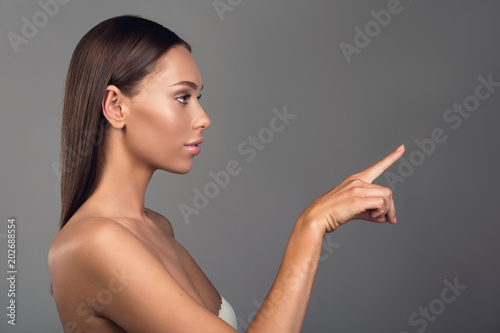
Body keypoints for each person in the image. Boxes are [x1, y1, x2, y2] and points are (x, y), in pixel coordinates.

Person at [48, 15, 405, 333]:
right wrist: (312, 225)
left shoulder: (157, 227)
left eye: (198, 97)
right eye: (183, 98)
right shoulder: (93, 242)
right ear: (115, 106)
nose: (204, 118)